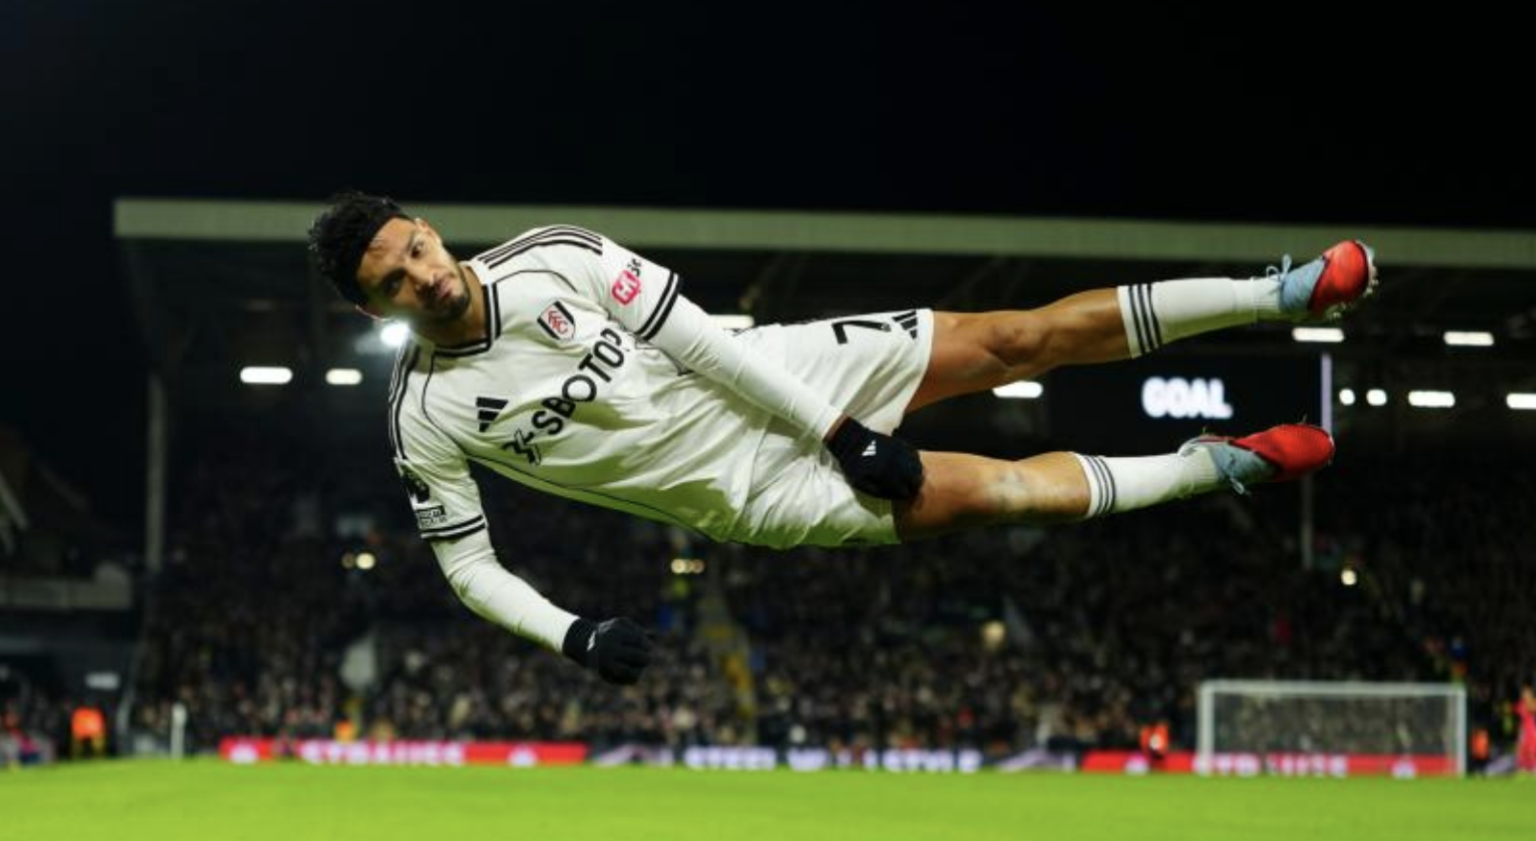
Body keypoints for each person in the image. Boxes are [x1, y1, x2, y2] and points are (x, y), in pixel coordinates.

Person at [308, 191, 1377, 685]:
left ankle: (1277, 291)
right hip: (750, 495)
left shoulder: (557, 257)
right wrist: (571, 632)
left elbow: (697, 339)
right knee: (1004, 495)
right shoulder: (425, 412)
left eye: (414, 248)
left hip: (784, 374)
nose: (421, 274)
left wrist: (842, 425)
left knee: (1018, 336)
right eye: (392, 283)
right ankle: (1216, 465)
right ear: (376, 312)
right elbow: (467, 567)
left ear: (429, 228)